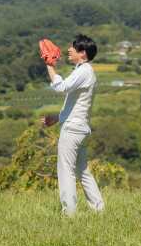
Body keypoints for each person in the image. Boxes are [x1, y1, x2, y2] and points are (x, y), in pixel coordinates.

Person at [42, 34, 105, 216]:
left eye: (73, 47)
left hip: (72, 130)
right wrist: (58, 117)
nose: (68, 49)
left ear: (83, 53)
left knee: (66, 171)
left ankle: (69, 214)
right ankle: (99, 210)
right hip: (81, 129)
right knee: (82, 171)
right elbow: (76, 104)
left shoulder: (84, 71)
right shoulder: (85, 70)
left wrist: (50, 66)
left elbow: (61, 87)